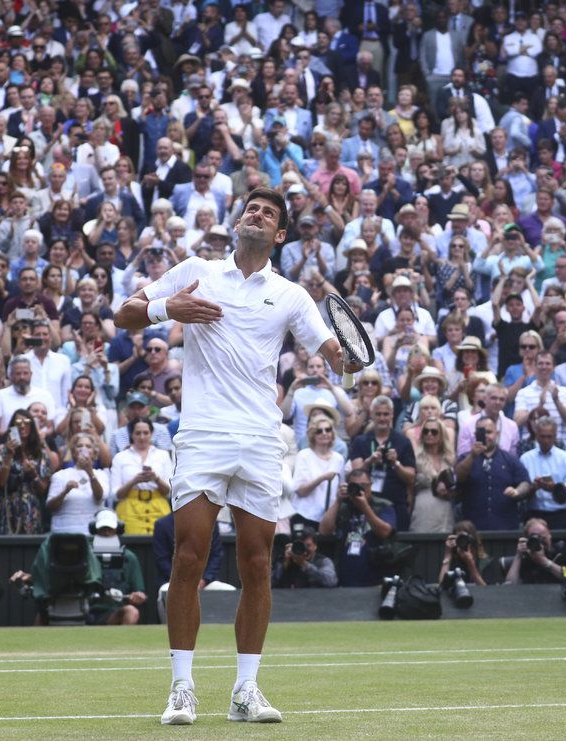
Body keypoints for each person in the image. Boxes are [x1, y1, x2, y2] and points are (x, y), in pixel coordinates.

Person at [115, 186, 354, 724]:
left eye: (269, 213)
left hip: (261, 442)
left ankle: (246, 690)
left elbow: (334, 355)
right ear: (240, 219)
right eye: (252, 207)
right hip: (203, 435)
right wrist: (165, 308)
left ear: (281, 234)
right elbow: (122, 314)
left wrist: (350, 358)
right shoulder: (197, 269)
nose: (258, 214)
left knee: (255, 565)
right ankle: (182, 688)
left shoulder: (291, 295)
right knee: (189, 557)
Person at [318, 467, 397, 587]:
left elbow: (385, 532)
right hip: (345, 581)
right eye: (355, 486)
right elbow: (324, 531)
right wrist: (338, 501)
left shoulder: (383, 505)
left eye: (364, 486)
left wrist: (365, 507)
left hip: (376, 579)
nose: (361, 490)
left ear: (371, 486)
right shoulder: (343, 507)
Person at [348, 396, 417, 531]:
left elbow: (411, 478)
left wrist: (395, 463)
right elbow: (355, 475)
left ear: (392, 415)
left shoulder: (403, 442)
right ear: (372, 415)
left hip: (396, 504)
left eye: (386, 414)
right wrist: (370, 461)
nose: (382, 418)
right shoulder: (360, 441)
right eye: (378, 414)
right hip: (365, 504)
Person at [455, 416, 532, 531]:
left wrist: (517, 491)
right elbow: (458, 477)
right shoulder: (466, 457)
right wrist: (472, 456)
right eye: (481, 432)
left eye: (489, 432)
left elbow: (525, 482)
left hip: (505, 528)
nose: (486, 436)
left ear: (497, 434)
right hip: (473, 530)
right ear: (475, 434)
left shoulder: (510, 459)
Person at [518, 417, 566, 529]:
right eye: (542, 436)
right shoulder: (526, 459)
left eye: (549, 437)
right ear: (536, 436)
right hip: (534, 515)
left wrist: (555, 488)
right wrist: (533, 487)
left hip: (561, 515)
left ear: (555, 436)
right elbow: (520, 492)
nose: (546, 441)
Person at [86, 509, 147, 625]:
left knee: (131, 611)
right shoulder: (85, 555)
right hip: (86, 610)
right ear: (95, 529)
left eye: (110, 529)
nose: (107, 533)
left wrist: (138, 596)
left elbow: (139, 592)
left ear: (117, 529)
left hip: (115, 613)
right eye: (103, 529)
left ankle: (124, 642)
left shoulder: (129, 557)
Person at [46, 433, 107, 534]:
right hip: (64, 533)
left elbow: (99, 497)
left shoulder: (101, 475)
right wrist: (65, 491)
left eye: (88, 446)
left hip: (91, 533)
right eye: (80, 446)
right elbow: (51, 506)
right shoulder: (60, 475)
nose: (84, 449)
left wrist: (90, 473)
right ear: (74, 453)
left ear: (94, 453)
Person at [504, 518, 566, 584]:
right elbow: (510, 585)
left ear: (549, 536)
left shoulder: (560, 554)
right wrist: (518, 556)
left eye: (543, 538)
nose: (540, 543)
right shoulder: (525, 558)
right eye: (535, 539)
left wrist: (545, 562)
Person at [271, 526, 338, 588]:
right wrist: (284, 566)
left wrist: (305, 564)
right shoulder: (286, 560)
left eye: (308, 545)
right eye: (301, 546)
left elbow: (331, 581)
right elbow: (268, 583)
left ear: (315, 546)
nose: (305, 550)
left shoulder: (323, 561)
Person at [438, 521, 501, 586]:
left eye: (464, 539)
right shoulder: (453, 561)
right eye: (459, 539)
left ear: (472, 539)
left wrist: (470, 564)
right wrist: (447, 555)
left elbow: (487, 591)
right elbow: (442, 584)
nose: (462, 542)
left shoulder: (486, 562)